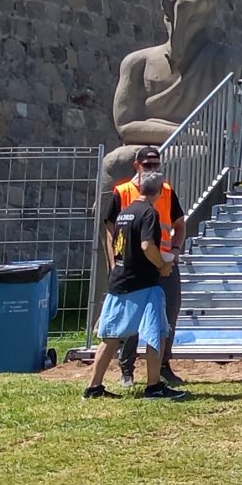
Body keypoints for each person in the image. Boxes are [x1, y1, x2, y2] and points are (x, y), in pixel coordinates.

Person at [83, 188, 186, 400]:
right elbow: (147, 245)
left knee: (110, 337)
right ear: (158, 191)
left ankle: (94, 388)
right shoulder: (149, 213)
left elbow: (116, 243)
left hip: (120, 281)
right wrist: (162, 266)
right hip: (145, 284)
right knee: (157, 333)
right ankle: (154, 387)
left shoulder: (125, 212)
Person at [102, 146, 183, 387]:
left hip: (163, 266)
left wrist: (174, 254)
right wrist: (113, 263)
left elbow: (179, 224)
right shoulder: (122, 192)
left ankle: (162, 367)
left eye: (156, 164)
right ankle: (127, 368)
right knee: (131, 320)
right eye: (148, 165)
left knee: (167, 317)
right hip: (134, 268)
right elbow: (110, 233)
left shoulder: (166, 191)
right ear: (137, 165)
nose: (153, 169)